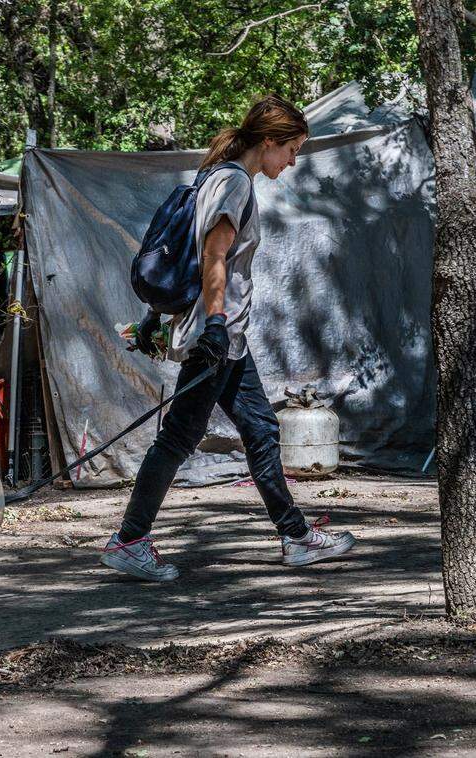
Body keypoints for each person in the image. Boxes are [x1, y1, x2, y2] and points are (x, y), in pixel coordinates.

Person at [101, 94, 356, 582]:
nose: (293, 160)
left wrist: (156, 316)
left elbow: (189, 254)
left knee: (261, 430)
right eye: (292, 149)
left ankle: (297, 537)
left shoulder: (214, 177)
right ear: (268, 142)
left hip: (226, 337)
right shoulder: (234, 183)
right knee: (179, 436)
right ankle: (130, 540)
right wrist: (215, 324)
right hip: (217, 335)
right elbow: (213, 257)